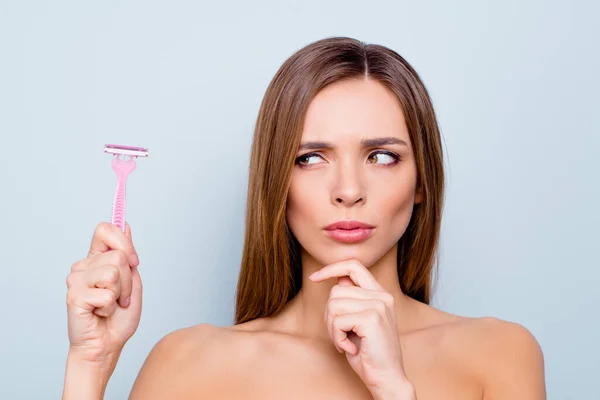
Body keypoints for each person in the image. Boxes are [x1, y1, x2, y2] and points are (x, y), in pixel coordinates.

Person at [63, 36, 546, 399]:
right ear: (277, 181)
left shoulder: (500, 354)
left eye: (381, 157)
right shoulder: (189, 362)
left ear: (422, 182)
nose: (349, 191)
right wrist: (90, 364)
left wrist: (394, 388)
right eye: (311, 158)